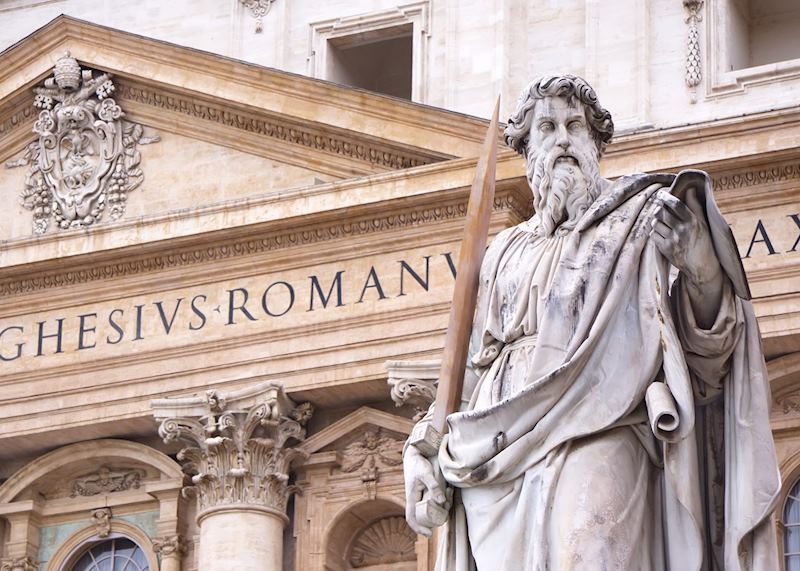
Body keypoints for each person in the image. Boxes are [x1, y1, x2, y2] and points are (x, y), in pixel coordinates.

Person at [403, 74, 780, 571]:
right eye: (547, 127)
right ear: (527, 148)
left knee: (592, 553)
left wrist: (701, 268)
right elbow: (470, 374)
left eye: (574, 126)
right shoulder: (502, 252)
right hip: (499, 446)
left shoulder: (639, 219)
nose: (562, 139)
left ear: (596, 142)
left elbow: (708, 350)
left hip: (604, 415)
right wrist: (425, 448)